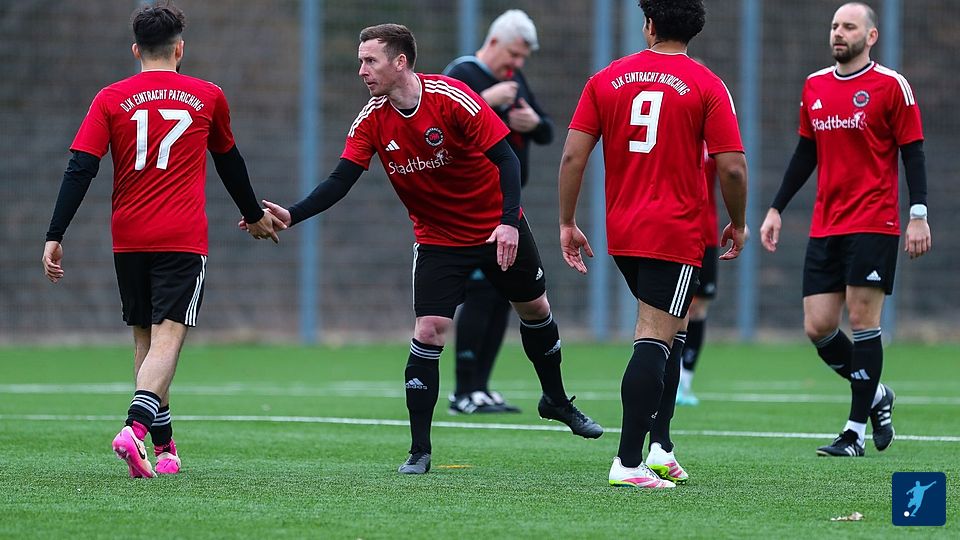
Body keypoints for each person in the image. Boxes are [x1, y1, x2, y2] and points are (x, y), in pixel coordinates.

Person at [247, 23, 602, 475]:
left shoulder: (451, 98)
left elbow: (506, 159)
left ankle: (555, 400)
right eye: (359, 61)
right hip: (438, 240)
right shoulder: (371, 119)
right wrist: (293, 214)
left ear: (400, 62)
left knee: (535, 309)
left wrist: (508, 223)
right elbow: (341, 179)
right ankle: (420, 450)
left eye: (370, 61)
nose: (361, 71)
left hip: (496, 227)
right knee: (430, 329)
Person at [41, 1, 283, 478]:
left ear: (136, 50)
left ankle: (165, 445)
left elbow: (80, 168)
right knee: (168, 338)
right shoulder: (208, 95)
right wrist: (254, 215)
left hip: (128, 235)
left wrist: (55, 233)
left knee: (145, 339)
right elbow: (229, 162)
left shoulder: (110, 98)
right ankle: (134, 429)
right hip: (181, 235)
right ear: (180, 49)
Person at [558, 0, 747, 489]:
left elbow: (573, 156)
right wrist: (738, 222)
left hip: (623, 231)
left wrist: (567, 221)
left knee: (673, 329)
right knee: (654, 336)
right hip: (674, 232)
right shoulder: (707, 84)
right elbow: (732, 167)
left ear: (649, 25)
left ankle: (660, 447)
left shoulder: (605, 79)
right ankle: (627, 462)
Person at [759, 2, 930, 457]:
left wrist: (918, 214)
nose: (838, 33)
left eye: (849, 27)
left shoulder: (892, 86)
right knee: (818, 326)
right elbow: (805, 153)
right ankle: (877, 395)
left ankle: (854, 432)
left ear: (870, 36)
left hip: (874, 221)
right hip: (826, 224)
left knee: (862, 320)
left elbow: (913, 152)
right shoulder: (814, 85)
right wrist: (776, 208)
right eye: (835, 25)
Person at [442, 9, 553, 415]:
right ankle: (463, 391)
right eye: (514, 54)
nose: (517, 64)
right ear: (493, 42)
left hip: (505, 205)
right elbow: (442, 127)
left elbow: (547, 130)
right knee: (478, 293)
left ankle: (482, 388)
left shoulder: (515, 80)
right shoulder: (462, 74)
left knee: (503, 294)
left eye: (523, 58)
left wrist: (533, 121)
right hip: (471, 206)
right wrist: (487, 101)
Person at [677, 144, 718, 407]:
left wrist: (739, 220)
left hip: (707, 233)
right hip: (675, 229)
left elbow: (733, 174)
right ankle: (668, 377)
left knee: (698, 307)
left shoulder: (714, 140)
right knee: (674, 307)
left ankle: (685, 381)